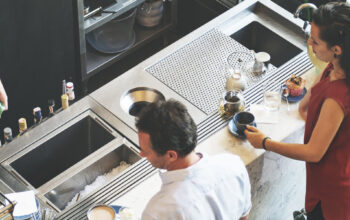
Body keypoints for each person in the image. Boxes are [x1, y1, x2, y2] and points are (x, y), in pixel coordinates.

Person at [245, 2, 350, 220]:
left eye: (316, 41)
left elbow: (314, 152)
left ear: (337, 49)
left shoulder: (338, 97)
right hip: (323, 177)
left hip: (334, 192)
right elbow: (309, 101)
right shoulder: (335, 66)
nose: (309, 43)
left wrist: (266, 143)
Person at [136, 99, 251, 220]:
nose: (141, 154)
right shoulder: (233, 165)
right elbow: (244, 216)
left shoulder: (157, 212)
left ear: (171, 155)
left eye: (145, 151)